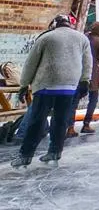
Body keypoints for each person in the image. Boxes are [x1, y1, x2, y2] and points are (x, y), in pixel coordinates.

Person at [10, 14, 92, 168]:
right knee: (60, 120)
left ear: (54, 24)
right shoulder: (82, 39)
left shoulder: (46, 38)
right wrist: (85, 81)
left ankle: (25, 155)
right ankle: (55, 151)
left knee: (37, 121)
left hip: (46, 86)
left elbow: (31, 63)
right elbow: (87, 62)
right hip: (69, 87)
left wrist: (24, 84)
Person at [79, 21, 99, 134]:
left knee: (74, 100)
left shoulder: (84, 37)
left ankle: (70, 127)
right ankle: (86, 124)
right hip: (93, 73)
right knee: (93, 99)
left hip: (79, 70)